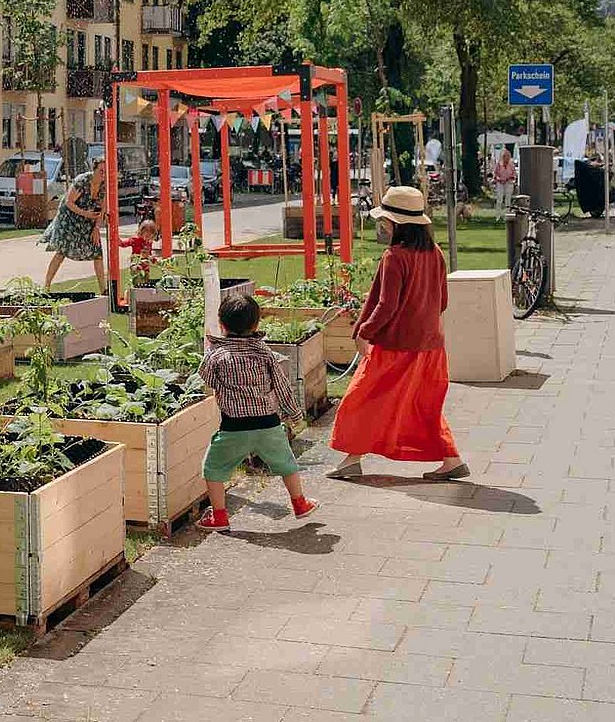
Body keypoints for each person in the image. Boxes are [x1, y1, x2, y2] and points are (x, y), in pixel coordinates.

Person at [329, 186, 467, 481]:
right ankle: (451, 459)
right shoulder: (435, 253)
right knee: (423, 405)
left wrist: (364, 332)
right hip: (431, 347)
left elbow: (386, 305)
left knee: (361, 399)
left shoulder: (395, 256)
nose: (383, 225)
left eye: (385, 221)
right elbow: (443, 301)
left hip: (396, 347)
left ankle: (352, 459)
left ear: (395, 224)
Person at [196, 295, 318, 530]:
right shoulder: (264, 353)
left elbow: (207, 378)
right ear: (256, 325)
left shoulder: (217, 355)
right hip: (268, 424)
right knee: (286, 463)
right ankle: (300, 503)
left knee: (213, 469)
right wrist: (294, 415)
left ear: (221, 324)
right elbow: (282, 386)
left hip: (234, 427)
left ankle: (219, 516)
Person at [42, 156, 108, 294]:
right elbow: (69, 202)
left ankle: (103, 289)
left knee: (97, 253)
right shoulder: (82, 181)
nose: (104, 174)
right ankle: (46, 286)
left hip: (88, 218)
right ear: (94, 170)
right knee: (61, 252)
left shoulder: (104, 185)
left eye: (105, 171)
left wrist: (96, 228)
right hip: (70, 217)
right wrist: (86, 213)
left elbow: (102, 208)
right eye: (101, 171)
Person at [490, 147, 517, 214]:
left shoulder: (511, 165)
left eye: (508, 156)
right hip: (500, 183)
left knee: (508, 199)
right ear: (502, 157)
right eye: (505, 156)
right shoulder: (498, 165)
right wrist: (499, 179)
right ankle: (498, 214)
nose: (507, 158)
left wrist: (510, 178)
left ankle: (507, 214)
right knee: (499, 199)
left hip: (509, 183)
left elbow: (514, 175)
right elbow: (495, 174)